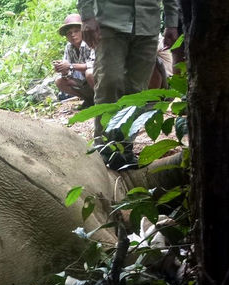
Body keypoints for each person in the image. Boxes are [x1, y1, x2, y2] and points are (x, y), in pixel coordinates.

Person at [77, 0, 180, 169]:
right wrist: (87, 16)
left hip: (148, 24)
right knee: (109, 84)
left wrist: (172, 23)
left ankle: (124, 149)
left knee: (137, 91)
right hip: (110, 22)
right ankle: (104, 149)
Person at [53, 14, 95, 108]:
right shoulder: (69, 47)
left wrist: (70, 66)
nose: (73, 35)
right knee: (59, 81)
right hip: (83, 83)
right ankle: (89, 99)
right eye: (69, 33)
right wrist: (62, 69)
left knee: (90, 73)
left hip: (98, 80)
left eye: (76, 31)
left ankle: (102, 100)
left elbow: (94, 65)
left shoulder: (91, 42)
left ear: (83, 31)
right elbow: (67, 72)